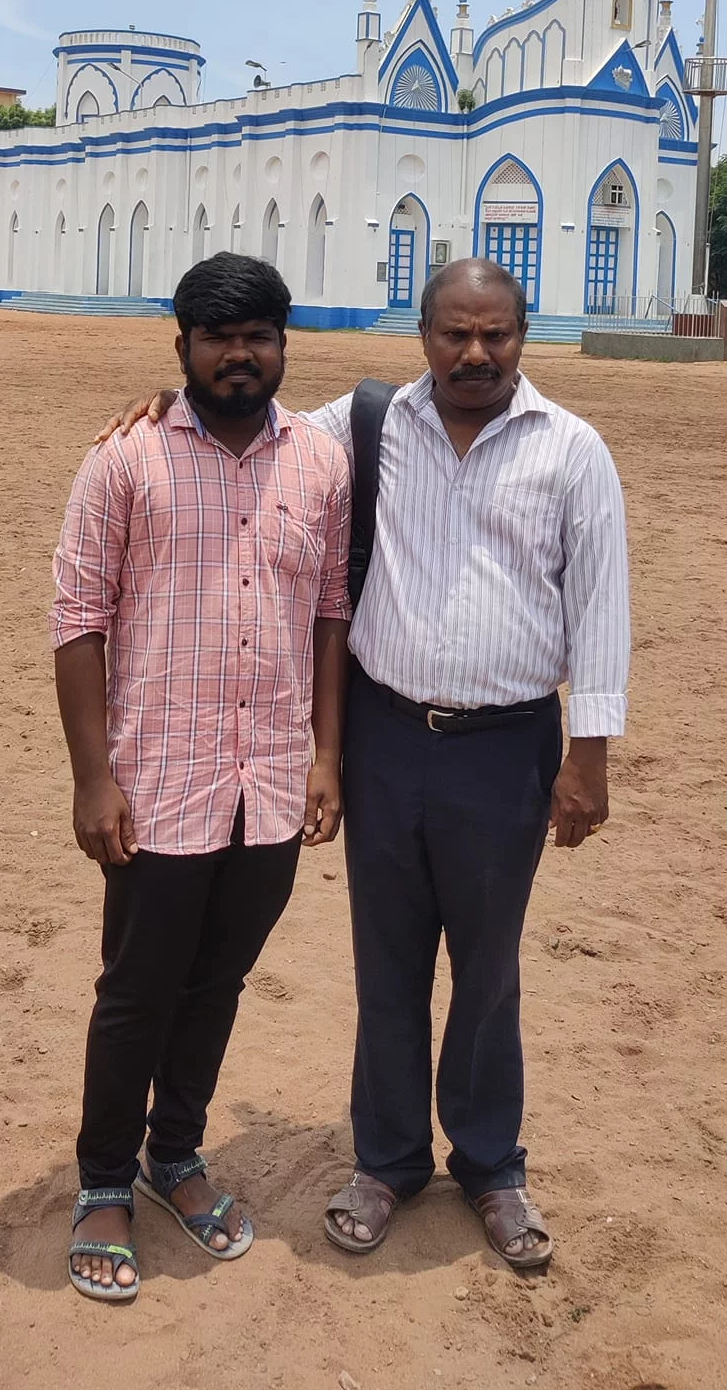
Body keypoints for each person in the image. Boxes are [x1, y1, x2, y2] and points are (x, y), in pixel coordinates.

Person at [100, 257, 630, 1275]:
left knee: (487, 969)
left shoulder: (572, 451)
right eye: (453, 333)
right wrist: (170, 401)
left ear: (526, 334)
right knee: (386, 965)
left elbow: (600, 607)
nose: (475, 353)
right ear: (421, 333)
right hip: (386, 739)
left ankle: (490, 1162)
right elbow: (251, 416)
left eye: (497, 335)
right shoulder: (371, 425)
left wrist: (586, 757)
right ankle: (386, 1160)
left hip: (504, 746)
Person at [53, 253, 351, 1304]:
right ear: (179, 345)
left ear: (284, 344)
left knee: (217, 981)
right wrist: (95, 780)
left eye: (259, 335)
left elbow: (327, 613)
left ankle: (174, 1154)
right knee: (135, 989)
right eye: (218, 337)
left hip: (267, 779)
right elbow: (78, 624)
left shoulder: (318, 460)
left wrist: (324, 752)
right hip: (157, 779)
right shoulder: (125, 459)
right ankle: (102, 1179)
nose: (240, 354)